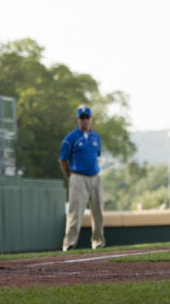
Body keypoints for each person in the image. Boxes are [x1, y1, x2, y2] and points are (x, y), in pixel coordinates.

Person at [59, 105, 104, 251]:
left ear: (90, 119)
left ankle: (98, 242)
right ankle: (69, 243)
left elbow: (96, 156)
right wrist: (70, 177)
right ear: (78, 120)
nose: (85, 120)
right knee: (75, 212)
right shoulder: (71, 138)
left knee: (98, 212)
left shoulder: (95, 137)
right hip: (78, 177)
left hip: (95, 177)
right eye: (82, 118)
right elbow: (62, 160)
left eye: (87, 117)